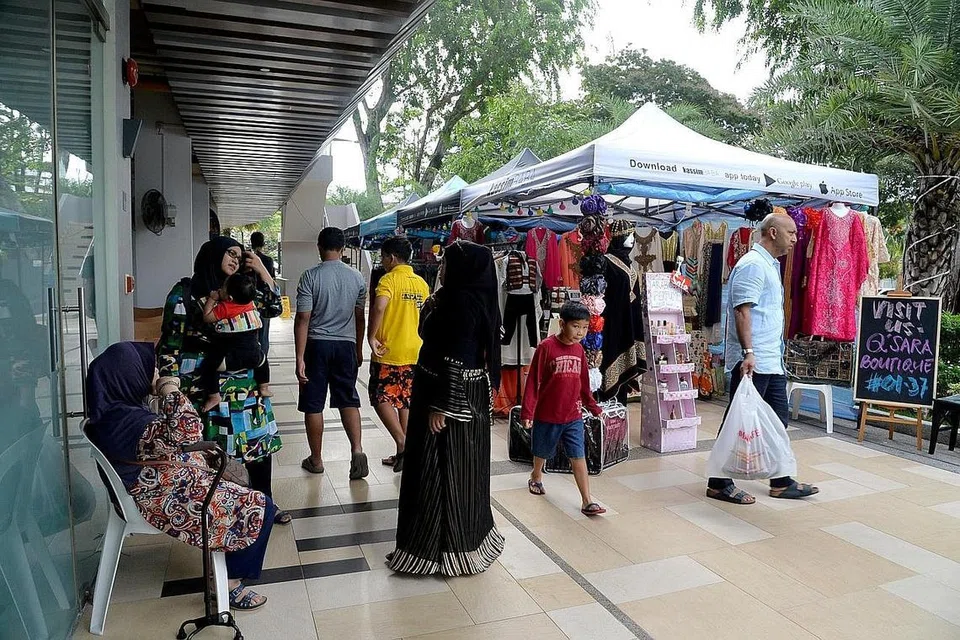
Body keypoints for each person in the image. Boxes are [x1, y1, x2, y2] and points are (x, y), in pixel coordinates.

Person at [87, 342, 275, 609]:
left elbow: (171, 440)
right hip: (159, 498)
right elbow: (189, 431)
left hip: (153, 484)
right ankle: (229, 583)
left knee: (236, 486)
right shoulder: (130, 423)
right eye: (147, 370)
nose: (153, 374)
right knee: (263, 506)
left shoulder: (112, 413)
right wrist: (168, 389)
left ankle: (224, 561)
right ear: (127, 376)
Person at [387, 241, 504, 576]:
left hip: (448, 398)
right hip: (462, 393)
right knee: (462, 469)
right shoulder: (469, 298)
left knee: (443, 470)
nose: (441, 267)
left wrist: (442, 406)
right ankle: (455, 543)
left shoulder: (459, 303)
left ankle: (442, 548)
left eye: (447, 262)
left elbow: (457, 355)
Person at [156, 236, 291, 526]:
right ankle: (219, 510)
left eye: (239, 256)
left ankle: (265, 503)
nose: (234, 260)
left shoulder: (240, 288)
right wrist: (170, 384)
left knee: (257, 446)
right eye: (230, 253)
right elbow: (170, 344)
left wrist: (263, 272)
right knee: (213, 452)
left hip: (244, 385)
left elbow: (275, 308)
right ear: (213, 255)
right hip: (204, 384)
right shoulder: (185, 294)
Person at [708, 213, 819, 504]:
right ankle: (719, 482)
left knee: (777, 420)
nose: (796, 238)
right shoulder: (753, 265)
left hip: (771, 359)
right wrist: (748, 352)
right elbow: (742, 310)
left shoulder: (768, 264)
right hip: (754, 359)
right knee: (739, 419)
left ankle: (781, 481)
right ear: (772, 232)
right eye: (791, 232)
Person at [295, 227, 368, 480]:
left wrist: (299, 358)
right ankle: (357, 450)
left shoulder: (310, 277)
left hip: (317, 345)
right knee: (348, 399)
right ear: (343, 247)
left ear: (319, 246)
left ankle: (316, 460)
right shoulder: (357, 278)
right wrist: (358, 349)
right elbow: (360, 318)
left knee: (313, 404)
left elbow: (303, 319)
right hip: (346, 345)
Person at [522, 301, 606, 516]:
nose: (580, 332)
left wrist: (593, 406)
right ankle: (536, 476)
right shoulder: (546, 347)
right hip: (548, 414)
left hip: (573, 415)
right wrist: (528, 411)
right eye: (576, 326)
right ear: (562, 324)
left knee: (578, 455)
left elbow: (583, 384)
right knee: (542, 450)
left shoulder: (579, 350)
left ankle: (587, 500)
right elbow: (533, 381)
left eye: (585, 327)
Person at [367, 237, 430, 473]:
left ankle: (402, 442)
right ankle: (405, 451)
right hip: (415, 350)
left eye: (383, 257)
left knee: (380, 397)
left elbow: (380, 306)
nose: (382, 262)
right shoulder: (421, 284)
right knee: (405, 400)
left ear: (391, 257)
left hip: (389, 351)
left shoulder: (389, 280)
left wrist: (371, 336)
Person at [198, 271, 271, 412]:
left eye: (223, 288)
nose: (220, 289)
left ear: (230, 298)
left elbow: (206, 317)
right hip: (255, 356)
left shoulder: (225, 307)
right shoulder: (251, 304)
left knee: (208, 366)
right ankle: (264, 387)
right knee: (264, 361)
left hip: (231, 358)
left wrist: (212, 299)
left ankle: (214, 396)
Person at [250, 231, 276, 356]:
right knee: (264, 333)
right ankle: (263, 358)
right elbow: (271, 281)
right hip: (264, 301)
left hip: (249, 301)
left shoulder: (248, 259)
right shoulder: (268, 260)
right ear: (263, 243)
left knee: (251, 331)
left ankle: (253, 356)